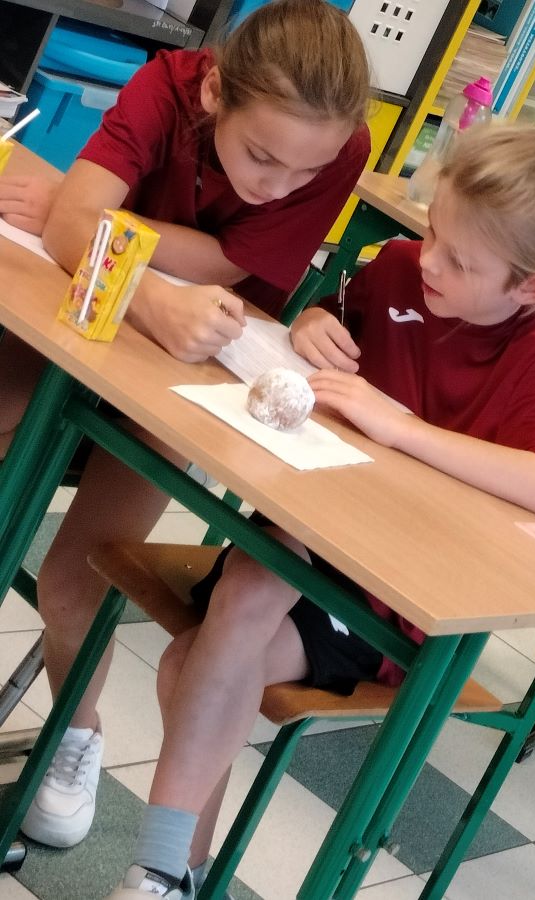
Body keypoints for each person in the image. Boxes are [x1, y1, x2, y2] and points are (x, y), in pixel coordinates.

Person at [107, 123, 535, 899]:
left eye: (460, 260)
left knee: (193, 661)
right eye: (433, 231)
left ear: (531, 289)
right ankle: (170, 875)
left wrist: (403, 428)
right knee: (236, 603)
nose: (430, 259)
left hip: (393, 593)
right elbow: (332, 314)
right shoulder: (404, 270)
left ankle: (167, 871)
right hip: (308, 531)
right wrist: (315, 323)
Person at [3, 0, 372, 853]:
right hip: (86, 309)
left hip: (200, 370)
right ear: (214, 94)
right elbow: (69, 229)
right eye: (260, 156)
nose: (276, 186)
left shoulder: (338, 144)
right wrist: (142, 285)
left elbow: (230, 263)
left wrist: (103, 223)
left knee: (73, 582)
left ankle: (75, 734)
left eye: (303, 172)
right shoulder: (166, 85)